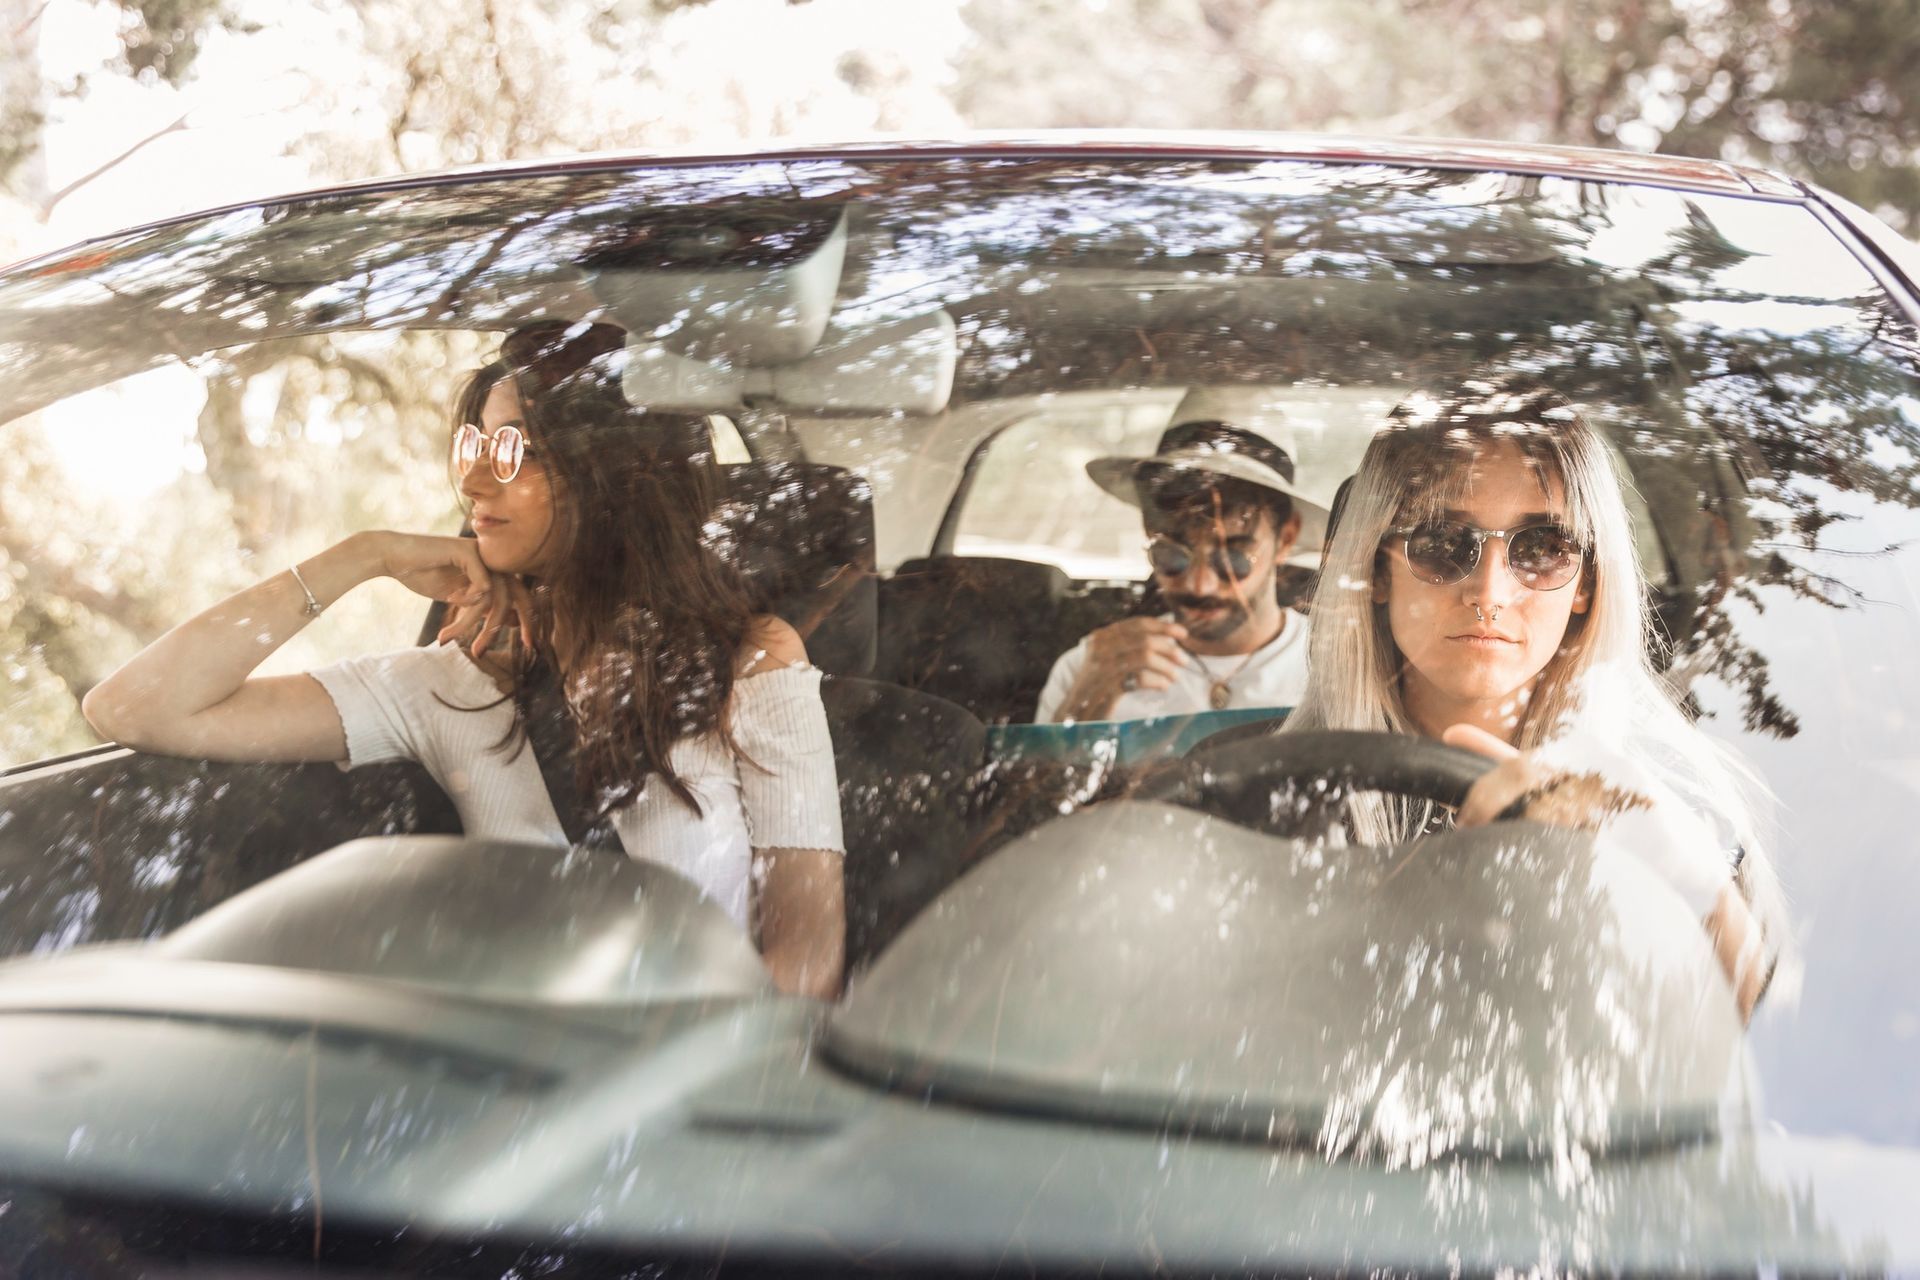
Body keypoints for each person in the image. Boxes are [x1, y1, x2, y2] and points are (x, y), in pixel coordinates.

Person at [81, 320, 846, 999]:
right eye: (474, 444)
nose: (476, 478)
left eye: (516, 449)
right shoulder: (450, 683)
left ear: (611, 475)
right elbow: (134, 707)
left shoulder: (749, 666)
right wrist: (364, 556)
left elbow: (805, 966)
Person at [1282, 382, 1789, 1020]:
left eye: (1543, 549)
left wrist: (1672, 860)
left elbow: (1770, 1049)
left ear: (1586, 583)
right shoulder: (1276, 791)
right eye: (1442, 542)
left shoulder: (1678, 806)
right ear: (1378, 569)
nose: (1490, 591)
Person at [1035, 420, 1329, 723]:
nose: (1200, 586)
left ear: (1286, 538)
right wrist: (1085, 704)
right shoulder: (1090, 667)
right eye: (1171, 556)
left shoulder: (1334, 669)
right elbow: (1037, 770)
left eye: (1233, 559)